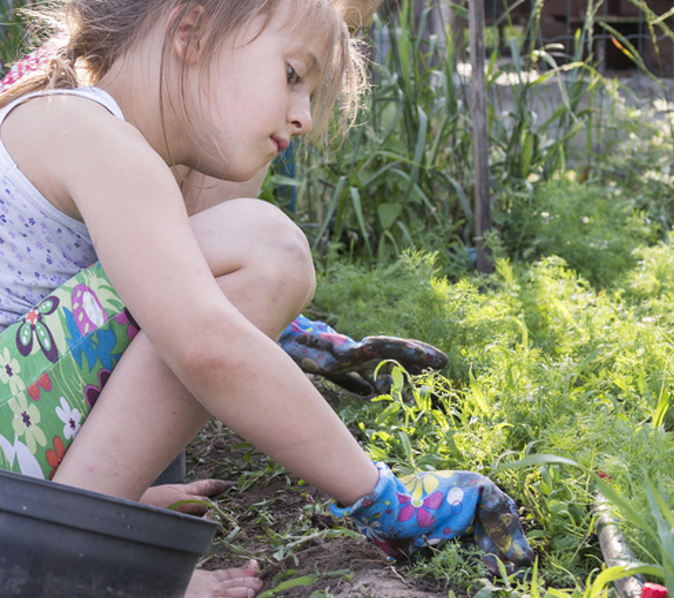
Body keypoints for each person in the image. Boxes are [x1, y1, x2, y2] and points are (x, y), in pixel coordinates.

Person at [0, 1, 533, 598]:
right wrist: (383, 497)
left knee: (230, 191)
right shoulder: (99, 140)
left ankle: (85, 517)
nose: (303, 117)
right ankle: (71, 558)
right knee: (266, 248)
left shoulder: (74, 118)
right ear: (192, 32)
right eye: (291, 75)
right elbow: (205, 345)